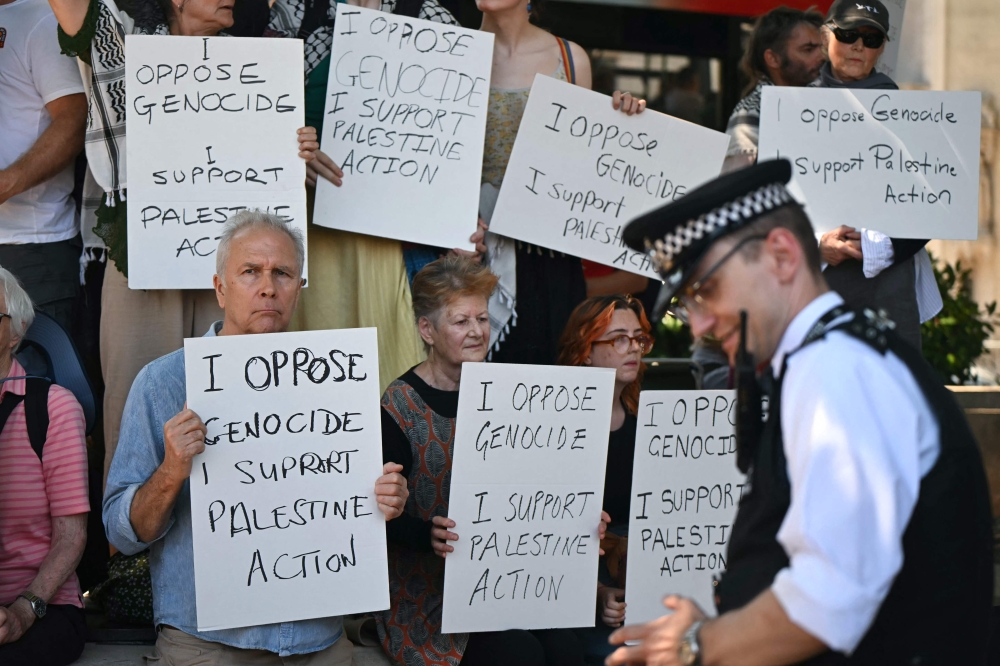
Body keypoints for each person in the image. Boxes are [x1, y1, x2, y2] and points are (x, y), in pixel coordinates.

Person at [604, 158, 993, 665]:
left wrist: (696, 645)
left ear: (783, 256)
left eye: (706, 291)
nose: (698, 325)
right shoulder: (833, 358)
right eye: (687, 304)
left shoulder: (836, 371)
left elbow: (829, 599)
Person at [103, 211, 411, 665]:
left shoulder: (337, 382)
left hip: (317, 640)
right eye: (250, 271)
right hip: (208, 644)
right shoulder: (163, 383)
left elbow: (348, 507)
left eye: (282, 273)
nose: (268, 287)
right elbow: (121, 534)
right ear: (220, 288)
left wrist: (384, 498)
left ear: (298, 288)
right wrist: (171, 471)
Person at [46, 0, 322, 480]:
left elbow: (274, 163)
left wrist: (296, 145)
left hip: (238, 269)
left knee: (240, 406)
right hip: (144, 258)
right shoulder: (120, 41)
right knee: (135, 404)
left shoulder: (259, 63)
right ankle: (131, 526)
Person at [378, 255, 608, 666]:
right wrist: (426, 536)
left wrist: (580, 516)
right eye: (461, 321)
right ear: (427, 330)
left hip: (511, 583)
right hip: (430, 596)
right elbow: (379, 517)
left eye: (482, 319)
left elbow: (540, 488)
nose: (477, 331)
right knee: (520, 655)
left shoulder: (511, 391)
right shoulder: (399, 406)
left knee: (567, 649)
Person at [272, 0, 463, 393]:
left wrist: (457, 211)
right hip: (311, 227)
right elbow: (258, 106)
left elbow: (458, 129)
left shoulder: (431, 18)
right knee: (314, 363)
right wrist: (288, 155)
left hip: (390, 235)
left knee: (391, 359)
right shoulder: (297, 10)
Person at [477, 0, 645, 364]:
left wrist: (622, 122)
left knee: (551, 373)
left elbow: (584, 163)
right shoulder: (454, 52)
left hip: (550, 258)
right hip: (474, 254)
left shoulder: (570, 59)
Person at [813, 0, 940, 350]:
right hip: (814, 281)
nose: (858, 46)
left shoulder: (912, 115)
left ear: (882, 48)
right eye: (848, 34)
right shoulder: (790, 106)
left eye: (871, 39)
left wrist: (888, 247)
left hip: (890, 281)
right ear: (826, 37)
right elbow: (775, 200)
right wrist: (817, 245)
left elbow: (937, 197)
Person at [0, 267, 89, 666]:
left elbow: (70, 537)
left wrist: (24, 610)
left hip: (41, 605)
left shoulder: (54, 408)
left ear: (16, 332)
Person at [556, 295, 653, 656]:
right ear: (584, 352)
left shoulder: (651, 420)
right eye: (619, 339)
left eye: (638, 338)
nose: (634, 348)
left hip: (646, 578)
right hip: (574, 584)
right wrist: (597, 593)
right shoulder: (554, 428)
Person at [0, 0, 87, 331]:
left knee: (33, 363)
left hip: (32, 248)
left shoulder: (42, 16)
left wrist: (7, 182)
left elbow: (74, 119)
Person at [723, 7, 825, 173]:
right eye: (808, 49)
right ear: (773, 59)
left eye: (822, 48)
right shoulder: (752, 112)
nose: (822, 56)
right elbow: (737, 180)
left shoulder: (827, 102)